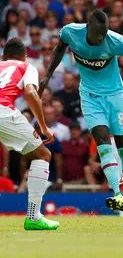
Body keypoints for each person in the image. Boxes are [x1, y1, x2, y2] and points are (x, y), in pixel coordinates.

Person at [37, 9, 123, 221]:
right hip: (90, 96)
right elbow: (59, 48)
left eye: (104, 34)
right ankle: (118, 194)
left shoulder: (115, 41)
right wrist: (47, 76)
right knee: (103, 145)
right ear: (88, 28)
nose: (101, 39)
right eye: (98, 35)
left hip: (116, 97)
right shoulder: (70, 32)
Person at [0, 37, 58, 230]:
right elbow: (32, 93)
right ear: (24, 56)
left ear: (3, 56)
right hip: (3, 111)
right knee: (43, 155)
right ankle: (33, 217)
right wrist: (43, 127)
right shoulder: (26, 67)